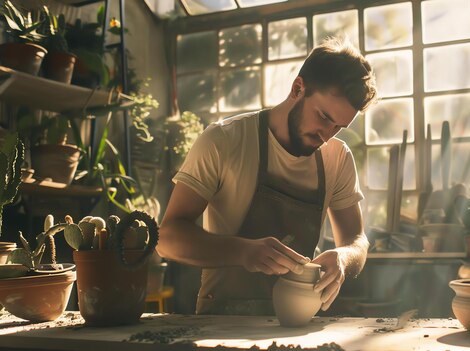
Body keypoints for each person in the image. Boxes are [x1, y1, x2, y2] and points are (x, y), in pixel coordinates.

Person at [157, 37, 378, 315]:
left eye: (339, 127)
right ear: (298, 88)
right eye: (323, 116)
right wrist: (243, 252)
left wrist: (345, 259)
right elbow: (167, 238)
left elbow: (357, 239)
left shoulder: (337, 157)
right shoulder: (224, 140)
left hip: (298, 324)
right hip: (221, 321)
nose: (326, 135)